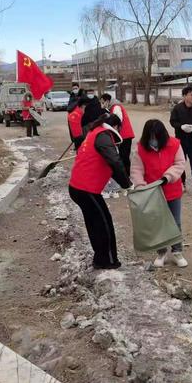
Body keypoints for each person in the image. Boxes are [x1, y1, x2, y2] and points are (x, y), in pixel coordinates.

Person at [69, 114, 131, 270]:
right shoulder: (103, 136)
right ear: (115, 126)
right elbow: (115, 161)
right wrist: (127, 184)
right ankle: (108, 261)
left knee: (95, 223)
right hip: (86, 189)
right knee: (104, 224)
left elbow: (110, 166)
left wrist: (124, 183)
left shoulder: (94, 133)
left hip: (78, 187)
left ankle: (100, 258)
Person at [130, 119, 187, 268]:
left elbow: (180, 164)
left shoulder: (174, 145)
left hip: (172, 190)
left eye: (156, 137)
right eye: (151, 136)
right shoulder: (140, 149)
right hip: (152, 193)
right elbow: (136, 169)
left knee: (175, 222)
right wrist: (141, 187)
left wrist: (167, 177)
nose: (153, 140)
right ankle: (161, 253)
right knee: (157, 223)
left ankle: (177, 251)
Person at [100, 93, 135, 174]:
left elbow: (117, 121)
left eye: (103, 102)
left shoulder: (116, 107)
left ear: (107, 101)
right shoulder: (112, 107)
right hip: (122, 135)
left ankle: (126, 175)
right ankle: (125, 174)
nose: (102, 104)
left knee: (124, 156)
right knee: (122, 156)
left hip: (125, 135)